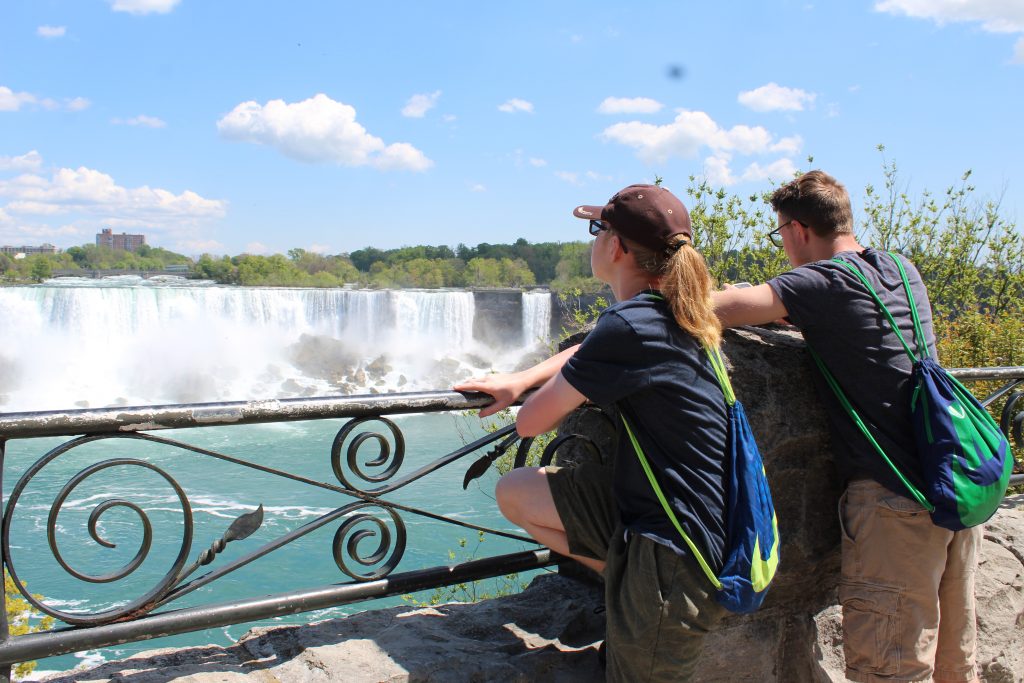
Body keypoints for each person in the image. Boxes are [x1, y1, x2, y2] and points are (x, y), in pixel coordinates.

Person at [712, 170, 981, 683]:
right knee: (955, 664)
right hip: (955, 486)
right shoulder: (901, 269)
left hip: (896, 504)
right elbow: (855, 324)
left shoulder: (819, 281)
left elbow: (704, 310)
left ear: (796, 229)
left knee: (889, 668)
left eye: (780, 234)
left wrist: (749, 299)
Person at [455, 184, 730, 682]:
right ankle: (621, 575)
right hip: (677, 521)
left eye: (596, 228)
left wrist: (528, 395)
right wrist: (521, 378)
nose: (591, 239)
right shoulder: (674, 311)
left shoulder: (632, 326)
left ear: (617, 247)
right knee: (517, 490)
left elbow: (530, 422)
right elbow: (593, 347)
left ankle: (633, 583)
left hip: (676, 555)